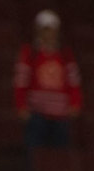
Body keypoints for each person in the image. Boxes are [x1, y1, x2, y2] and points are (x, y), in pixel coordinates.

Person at [14, 10, 82, 150]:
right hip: (37, 114)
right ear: (39, 31)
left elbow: (73, 82)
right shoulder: (30, 53)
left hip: (61, 114)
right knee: (35, 153)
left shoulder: (65, 54)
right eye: (46, 30)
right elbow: (21, 81)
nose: (49, 34)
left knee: (60, 156)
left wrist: (75, 102)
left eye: (52, 30)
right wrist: (21, 105)